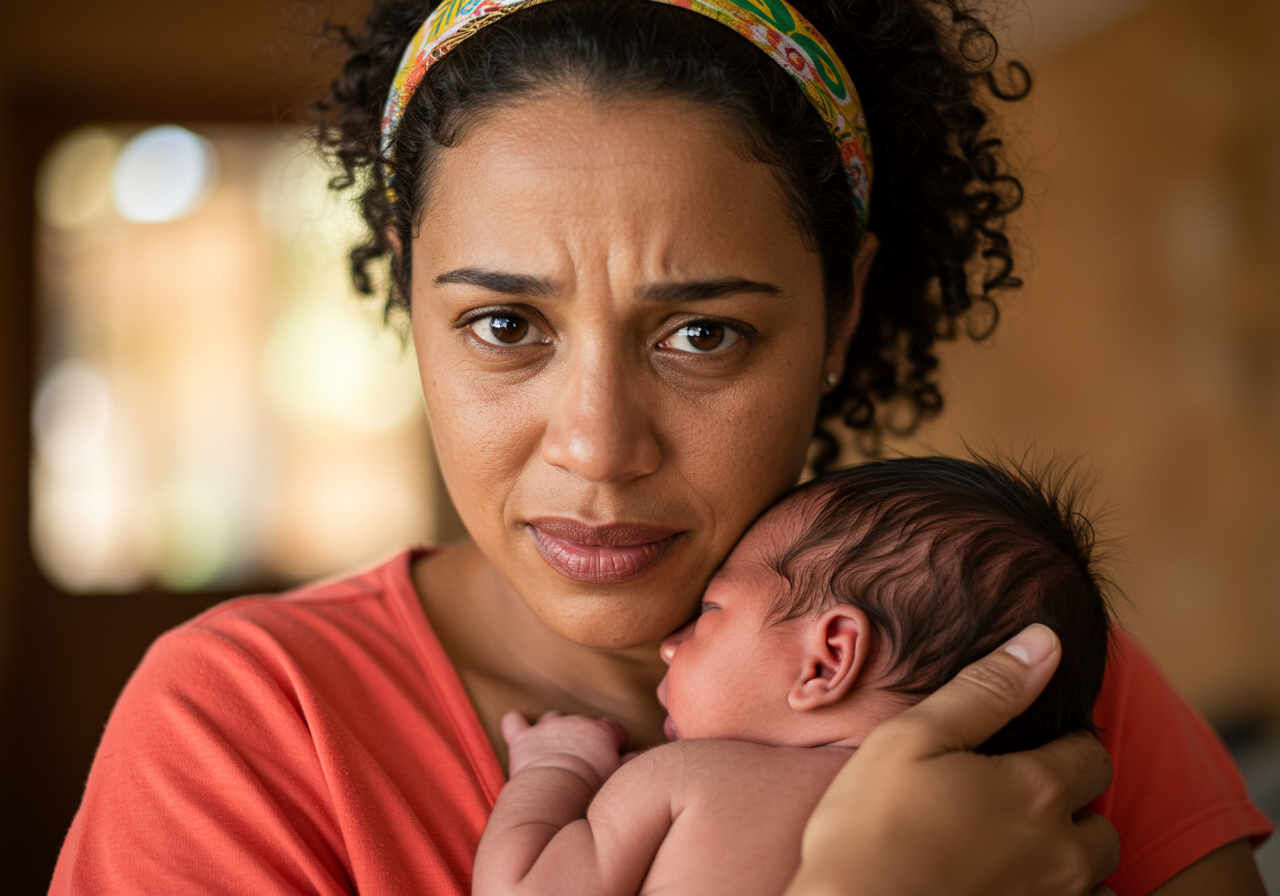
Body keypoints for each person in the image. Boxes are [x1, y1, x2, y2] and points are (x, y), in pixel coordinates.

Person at [50, 0, 1271, 894]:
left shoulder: (999, 649)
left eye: (700, 332)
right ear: (406, 302)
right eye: (502, 323)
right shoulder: (254, 726)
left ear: (842, 311)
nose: (597, 443)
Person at [473, 456, 1114, 896]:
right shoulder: (1022, 842)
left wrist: (556, 768)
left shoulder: (686, 778)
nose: (670, 645)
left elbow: (521, 890)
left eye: (709, 612)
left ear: (828, 658)